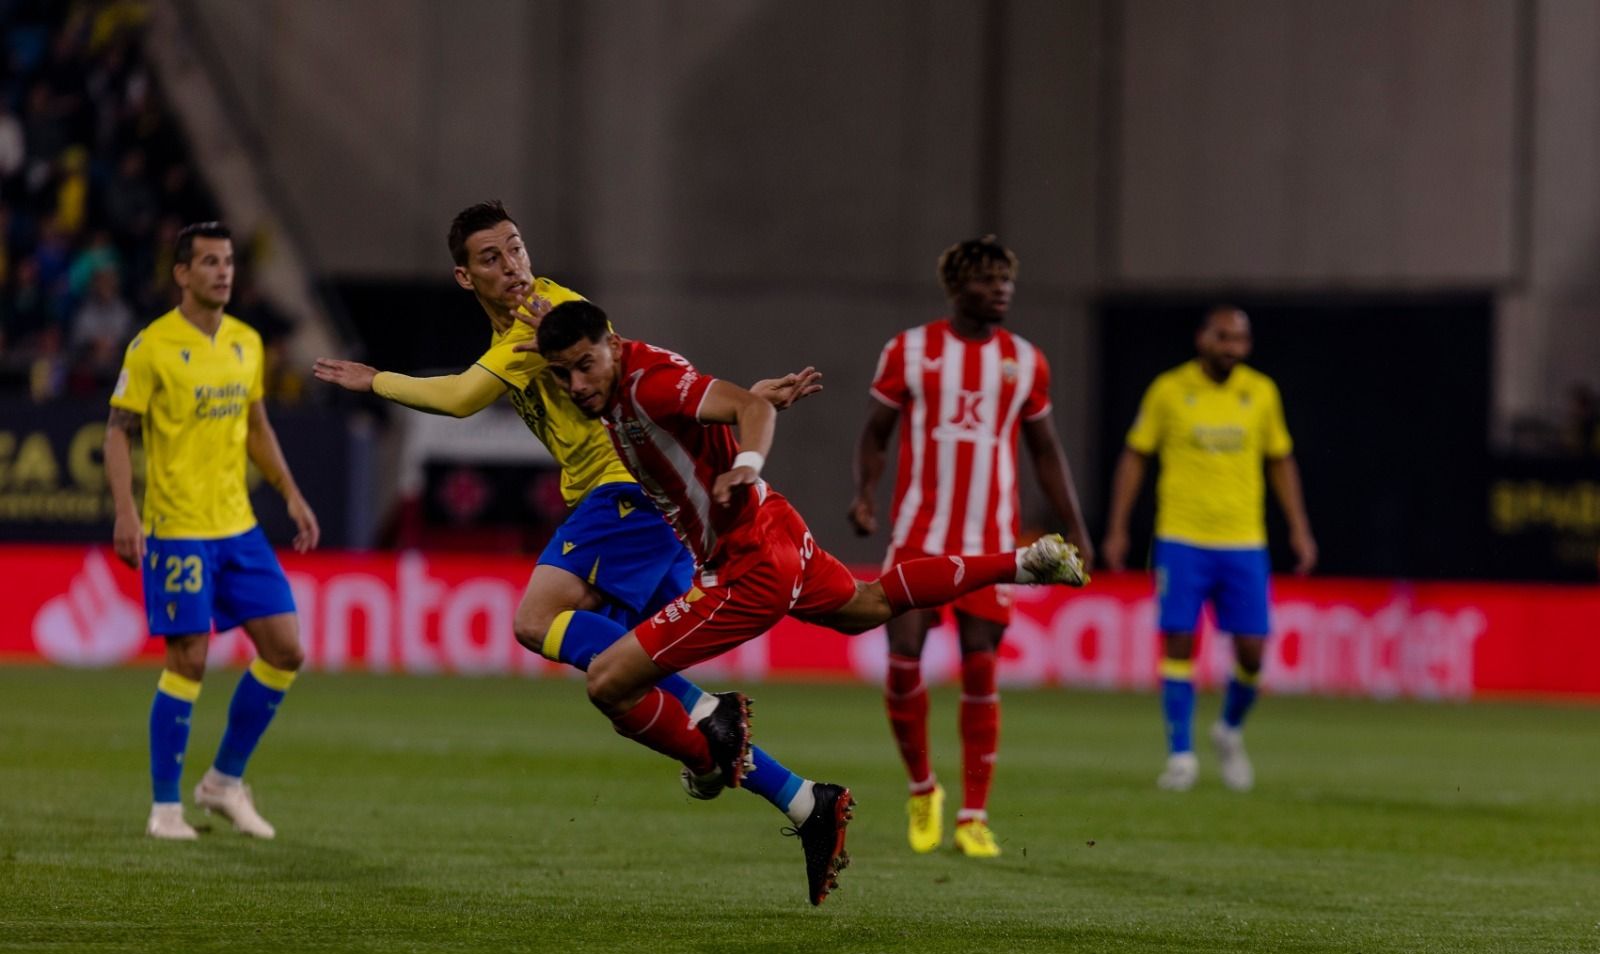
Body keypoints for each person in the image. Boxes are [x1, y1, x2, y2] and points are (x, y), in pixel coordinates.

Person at [311, 201, 833, 896]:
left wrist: (374, 380)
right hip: (650, 510)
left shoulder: (552, 318)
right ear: (464, 278)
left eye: (518, 248)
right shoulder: (523, 331)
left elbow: (465, 397)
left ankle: (707, 716)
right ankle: (802, 801)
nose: (514, 267)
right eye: (492, 259)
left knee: (535, 621)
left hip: (626, 495)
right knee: (622, 675)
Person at [533, 299, 1090, 904]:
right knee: (870, 607)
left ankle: (713, 752)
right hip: (779, 529)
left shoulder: (650, 385)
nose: (576, 385)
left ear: (611, 346)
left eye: (585, 365)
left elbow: (744, 409)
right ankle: (1021, 563)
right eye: (563, 374)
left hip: (746, 569)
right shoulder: (625, 369)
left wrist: (746, 457)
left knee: (609, 683)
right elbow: (739, 402)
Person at [848, 236, 1094, 859]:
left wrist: (1076, 526)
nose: (1001, 289)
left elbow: (1045, 451)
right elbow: (876, 432)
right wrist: (865, 494)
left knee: (981, 666)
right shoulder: (909, 350)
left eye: (1006, 279)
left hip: (992, 538)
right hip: (918, 532)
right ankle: (922, 787)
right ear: (957, 287)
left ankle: (973, 814)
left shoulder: (1026, 361)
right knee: (904, 655)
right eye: (987, 279)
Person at [104, 221, 319, 841]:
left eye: (227, 262)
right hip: (177, 527)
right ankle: (165, 808)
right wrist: (126, 510)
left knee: (286, 651)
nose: (223, 272)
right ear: (182, 273)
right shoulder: (152, 347)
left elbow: (256, 426)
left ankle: (223, 782)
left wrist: (291, 493)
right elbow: (117, 430)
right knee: (189, 658)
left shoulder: (247, 342)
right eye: (208, 263)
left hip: (240, 528)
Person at [1101, 306, 1316, 792]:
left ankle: (1229, 730)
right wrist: (1117, 527)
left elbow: (1281, 461)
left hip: (1243, 540)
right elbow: (1135, 457)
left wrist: (1299, 528)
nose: (1232, 348)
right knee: (1179, 640)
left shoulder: (1261, 392)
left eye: (1240, 339)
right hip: (1182, 537)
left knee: (1254, 652)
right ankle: (1181, 755)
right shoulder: (1169, 390)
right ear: (1202, 338)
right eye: (1223, 338)